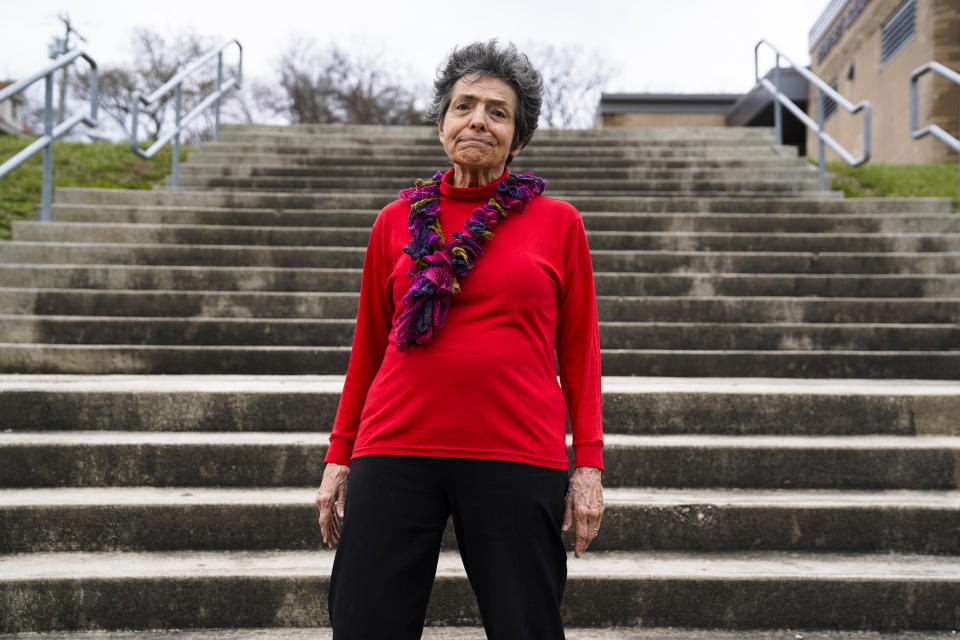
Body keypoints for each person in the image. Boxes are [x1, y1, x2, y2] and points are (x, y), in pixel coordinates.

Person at [315, 39, 604, 640]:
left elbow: (580, 355)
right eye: (463, 106)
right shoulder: (395, 220)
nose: (477, 119)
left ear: (518, 138)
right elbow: (368, 346)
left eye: (497, 111)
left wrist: (589, 466)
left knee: (526, 626)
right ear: (442, 122)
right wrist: (339, 455)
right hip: (394, 445)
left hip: (517, 451)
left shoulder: (560, 223)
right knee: (364, 623)